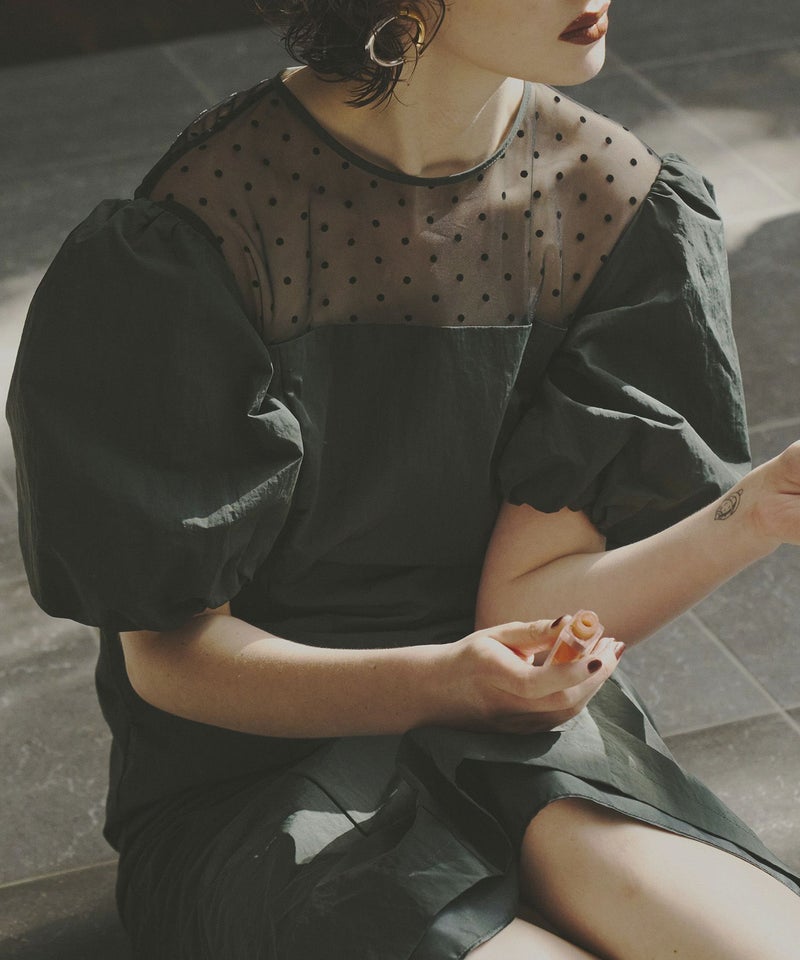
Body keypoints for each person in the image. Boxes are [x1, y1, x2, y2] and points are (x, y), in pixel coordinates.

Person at [7, 1, 800, 957]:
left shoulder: (617, 200)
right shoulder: (197, 229)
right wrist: (441, 680)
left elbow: (525, 600)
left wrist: (756, 513)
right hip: (261, 777)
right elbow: (170, 659)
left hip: (516, 735)